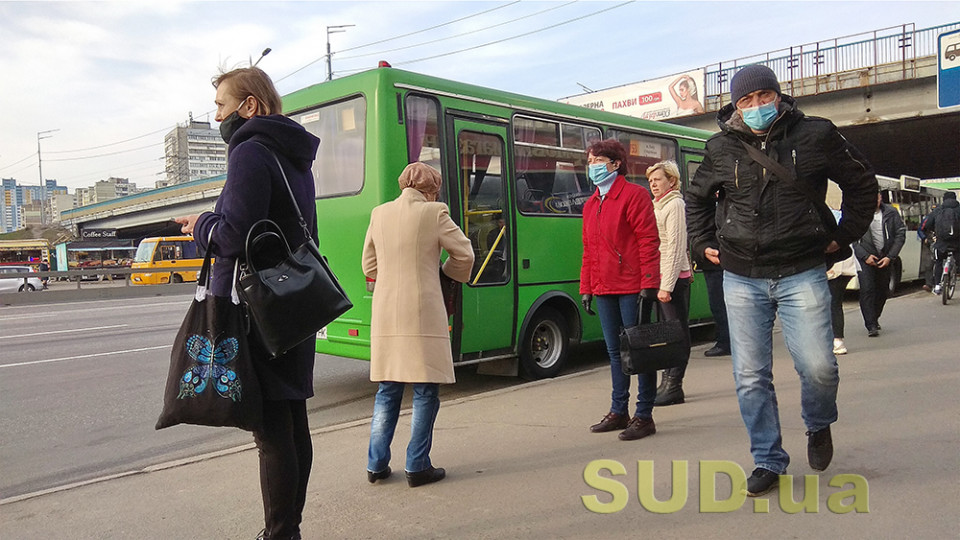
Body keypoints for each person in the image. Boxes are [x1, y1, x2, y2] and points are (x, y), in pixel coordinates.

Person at [686, 64, 877, 497]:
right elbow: (695, 201)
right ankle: (768, 459)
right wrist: (700, 244)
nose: (756, 107)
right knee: (751, 375)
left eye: (763, 96)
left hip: (801, 270)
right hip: (741, 276)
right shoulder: (719, 147)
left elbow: (862, 185)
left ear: (779, 95)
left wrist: (843, 237)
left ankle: (818, 423)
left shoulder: (817, 134)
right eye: (746, 101)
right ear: (735, 106)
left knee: (820, 367)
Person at [175, 66, 321, 540]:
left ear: (249, 106)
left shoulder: (250, 151)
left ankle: (281, 534)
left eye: (221, 105)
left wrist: (202, 224)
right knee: (293, 419)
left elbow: (235, 235)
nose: (217, 115)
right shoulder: (291, 154)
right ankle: (289, 527)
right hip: (295, 301)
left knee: (273, 429)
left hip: (261, 309)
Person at [361, 162, 474, 488]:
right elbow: (464, 255)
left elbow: (368, 263)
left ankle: (376, 464)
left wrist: (392, 277)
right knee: (425, 390)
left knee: (387, 390)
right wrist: (444, 273)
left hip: (386, 313)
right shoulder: (435, 213)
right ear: (432, 189)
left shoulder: (379, 213)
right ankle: (417, 466)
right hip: (422, 311)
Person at [580, 139, 662, 441]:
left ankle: (644, 415)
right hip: (603, 287)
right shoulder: (591, 204)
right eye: (589, 161)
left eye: (598, 160)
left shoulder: (634, 195)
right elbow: (589, 250)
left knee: (638, 352)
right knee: (615, 352)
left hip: (632, 286)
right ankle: (618, 410)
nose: (593, 166)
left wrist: (649, 283)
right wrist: (586, 288)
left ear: (616, 164)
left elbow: (648, 241)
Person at [646, 160, 693, 407]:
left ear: (671, 181)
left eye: (658, 179)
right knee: (668, 331)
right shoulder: (659, 204)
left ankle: (674, 384)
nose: (653, 184)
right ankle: (667, 381)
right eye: (651, 180)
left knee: (676, 332)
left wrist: (667, 285)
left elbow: (674, 247)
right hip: (664, 276)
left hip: (672, 279)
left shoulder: (674, 204)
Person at [852, 191, 906, 337]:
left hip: (885, 257)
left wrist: (890, 256)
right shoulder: (859, 214)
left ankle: (875, 318)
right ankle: (870, 325)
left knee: (882, 290)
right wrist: (865, 256)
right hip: (865, 259)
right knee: (867, 289)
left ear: (880, 198)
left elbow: (900, 234)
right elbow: (852, 238)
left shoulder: (891, 212)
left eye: (875, 197)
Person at [826, 209, 857, 355]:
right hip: (846, 265)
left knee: (832, 303)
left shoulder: (826, 216)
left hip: (837, 265)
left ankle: (837, 340)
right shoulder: (838, 215)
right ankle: (836, 339)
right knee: (835, 303)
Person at [922, 191, 960, 294]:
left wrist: (934, 233)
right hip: (957, 243)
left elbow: (927, 225)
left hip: (941, 243)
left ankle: (937, 285)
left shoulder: (937, 210)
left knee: (938, 262)